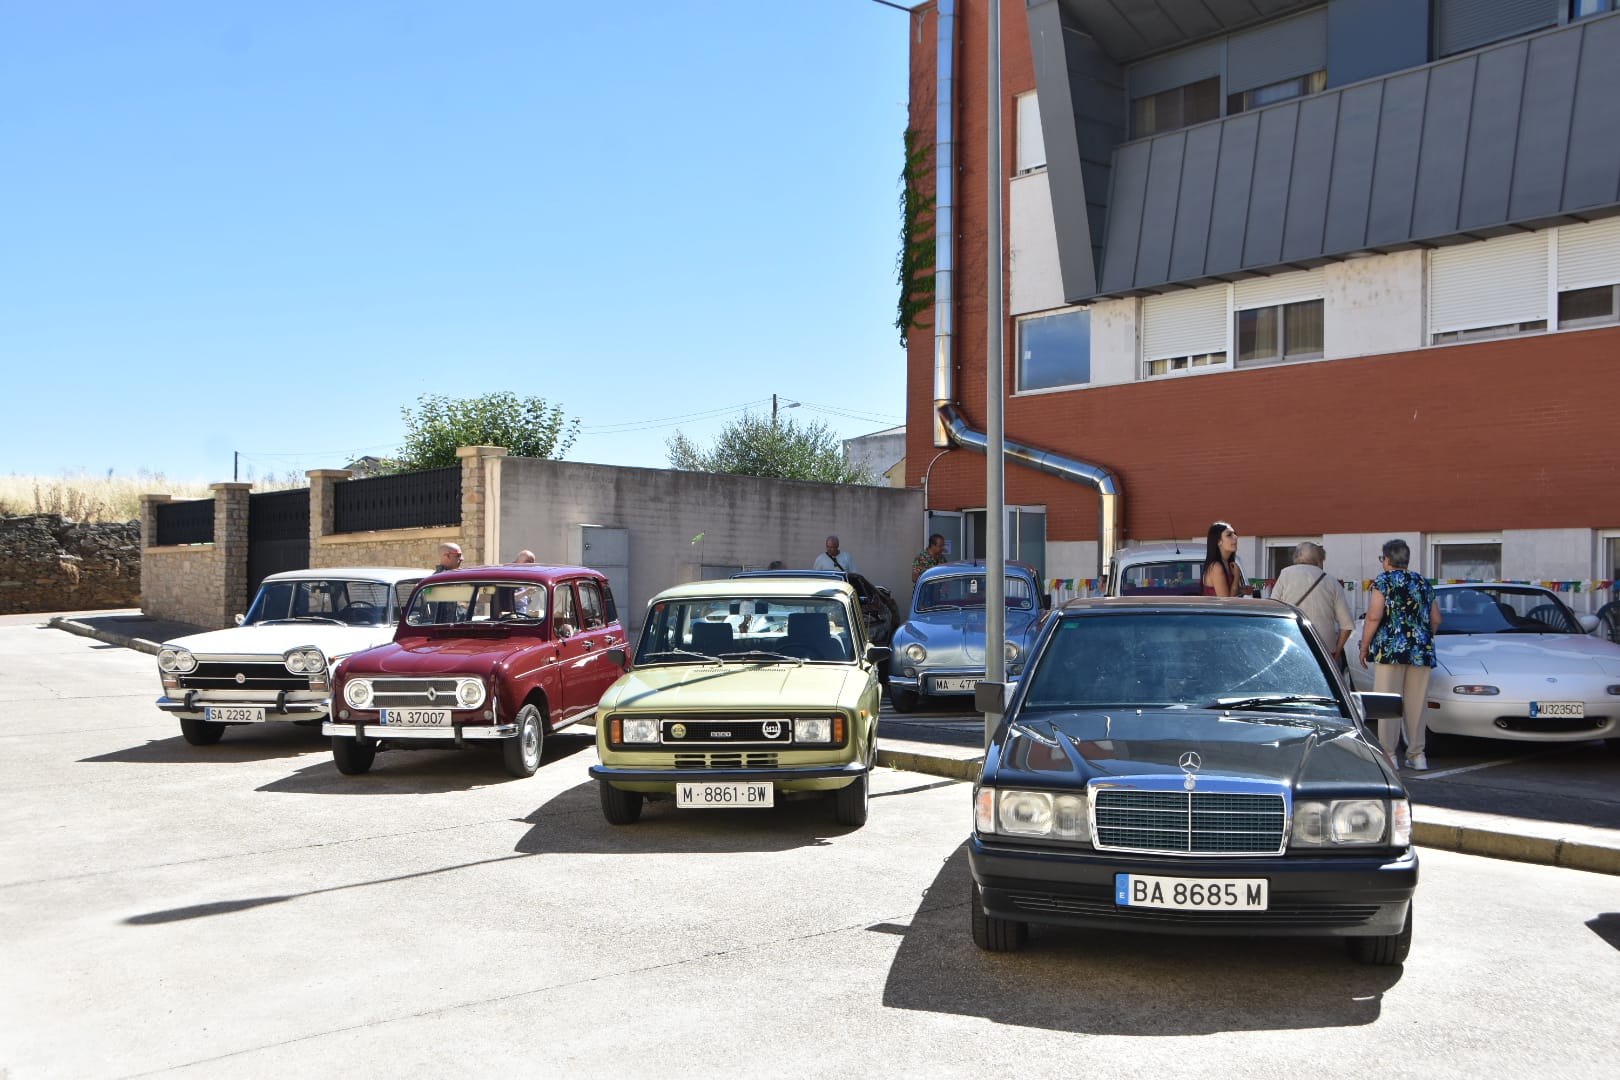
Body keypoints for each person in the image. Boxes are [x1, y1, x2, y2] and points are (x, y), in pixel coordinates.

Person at [1358, 538, 1442, 771]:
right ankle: (1418, 755)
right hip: (1421, 652)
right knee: (1417, 705)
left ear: (1386, 560)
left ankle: (1389, 754)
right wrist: (1422, 638)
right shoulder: (1423, 582)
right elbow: (1436, 619)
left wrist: (1365, 646)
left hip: (1391, 650)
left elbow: (1374, 616)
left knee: (1387, 703)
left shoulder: (1383, 581)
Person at [1270, 541, 1353, 672]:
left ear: (1296, 558)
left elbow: (1272, 609)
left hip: (1292, 643)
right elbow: (1347, 625)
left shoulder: (1285, 574)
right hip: (1324, 648)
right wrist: (1337, 652)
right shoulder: (1332, 581)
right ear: (1320, 560)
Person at [1201, 522, 1243, 597]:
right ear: (1218, 541)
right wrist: (1236, 578)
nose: (1236, 537)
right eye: (1229, 535)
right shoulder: (1216, 568)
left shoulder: (1229, 564)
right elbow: (1226, 604)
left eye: (1234, 534)